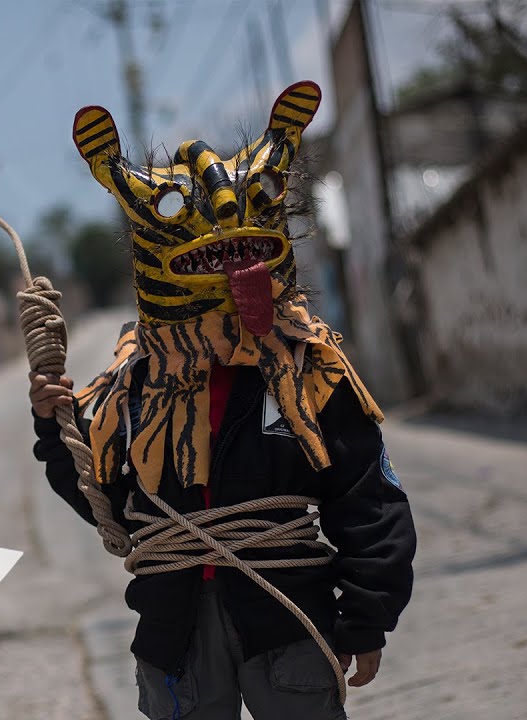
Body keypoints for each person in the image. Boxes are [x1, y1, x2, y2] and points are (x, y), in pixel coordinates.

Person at [30, 83, 416, 719]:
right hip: (174, 638)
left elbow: (367, 495)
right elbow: (113, 510)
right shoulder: (137, 387)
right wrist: (54, 427)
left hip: (288, 623)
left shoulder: (307, 372)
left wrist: (368, 614)